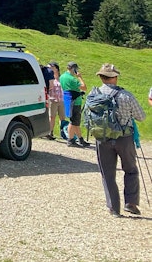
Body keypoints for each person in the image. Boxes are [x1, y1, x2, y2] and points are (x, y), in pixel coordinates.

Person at [87, 63, 146, 216]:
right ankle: (131, 203)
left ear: (101, 77)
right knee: (131, 170)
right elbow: (141, 117)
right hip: (124, 138)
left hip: (102, 138)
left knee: (108, 173)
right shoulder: (126, 95)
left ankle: (114, 208)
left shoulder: (93, 95)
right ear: (115, 78)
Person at [60, 61, 88, 147]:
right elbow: (84, 87)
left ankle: (80, 139)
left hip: (67, 100)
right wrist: (80, 77)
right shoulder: (73, 79)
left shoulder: (62, 77)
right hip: (75, 102)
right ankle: (70, 140)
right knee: (73, 122)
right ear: (73, 69)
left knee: (75, 122)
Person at [45, 61, 65, 140]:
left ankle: (64, 133)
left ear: (56, 69)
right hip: (52, 100)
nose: (49, 69)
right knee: (52, 117)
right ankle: (50, 132)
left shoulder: (61, 78)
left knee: (62, 118)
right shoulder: (49, 77)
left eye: (51, 68)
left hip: (61, 100)